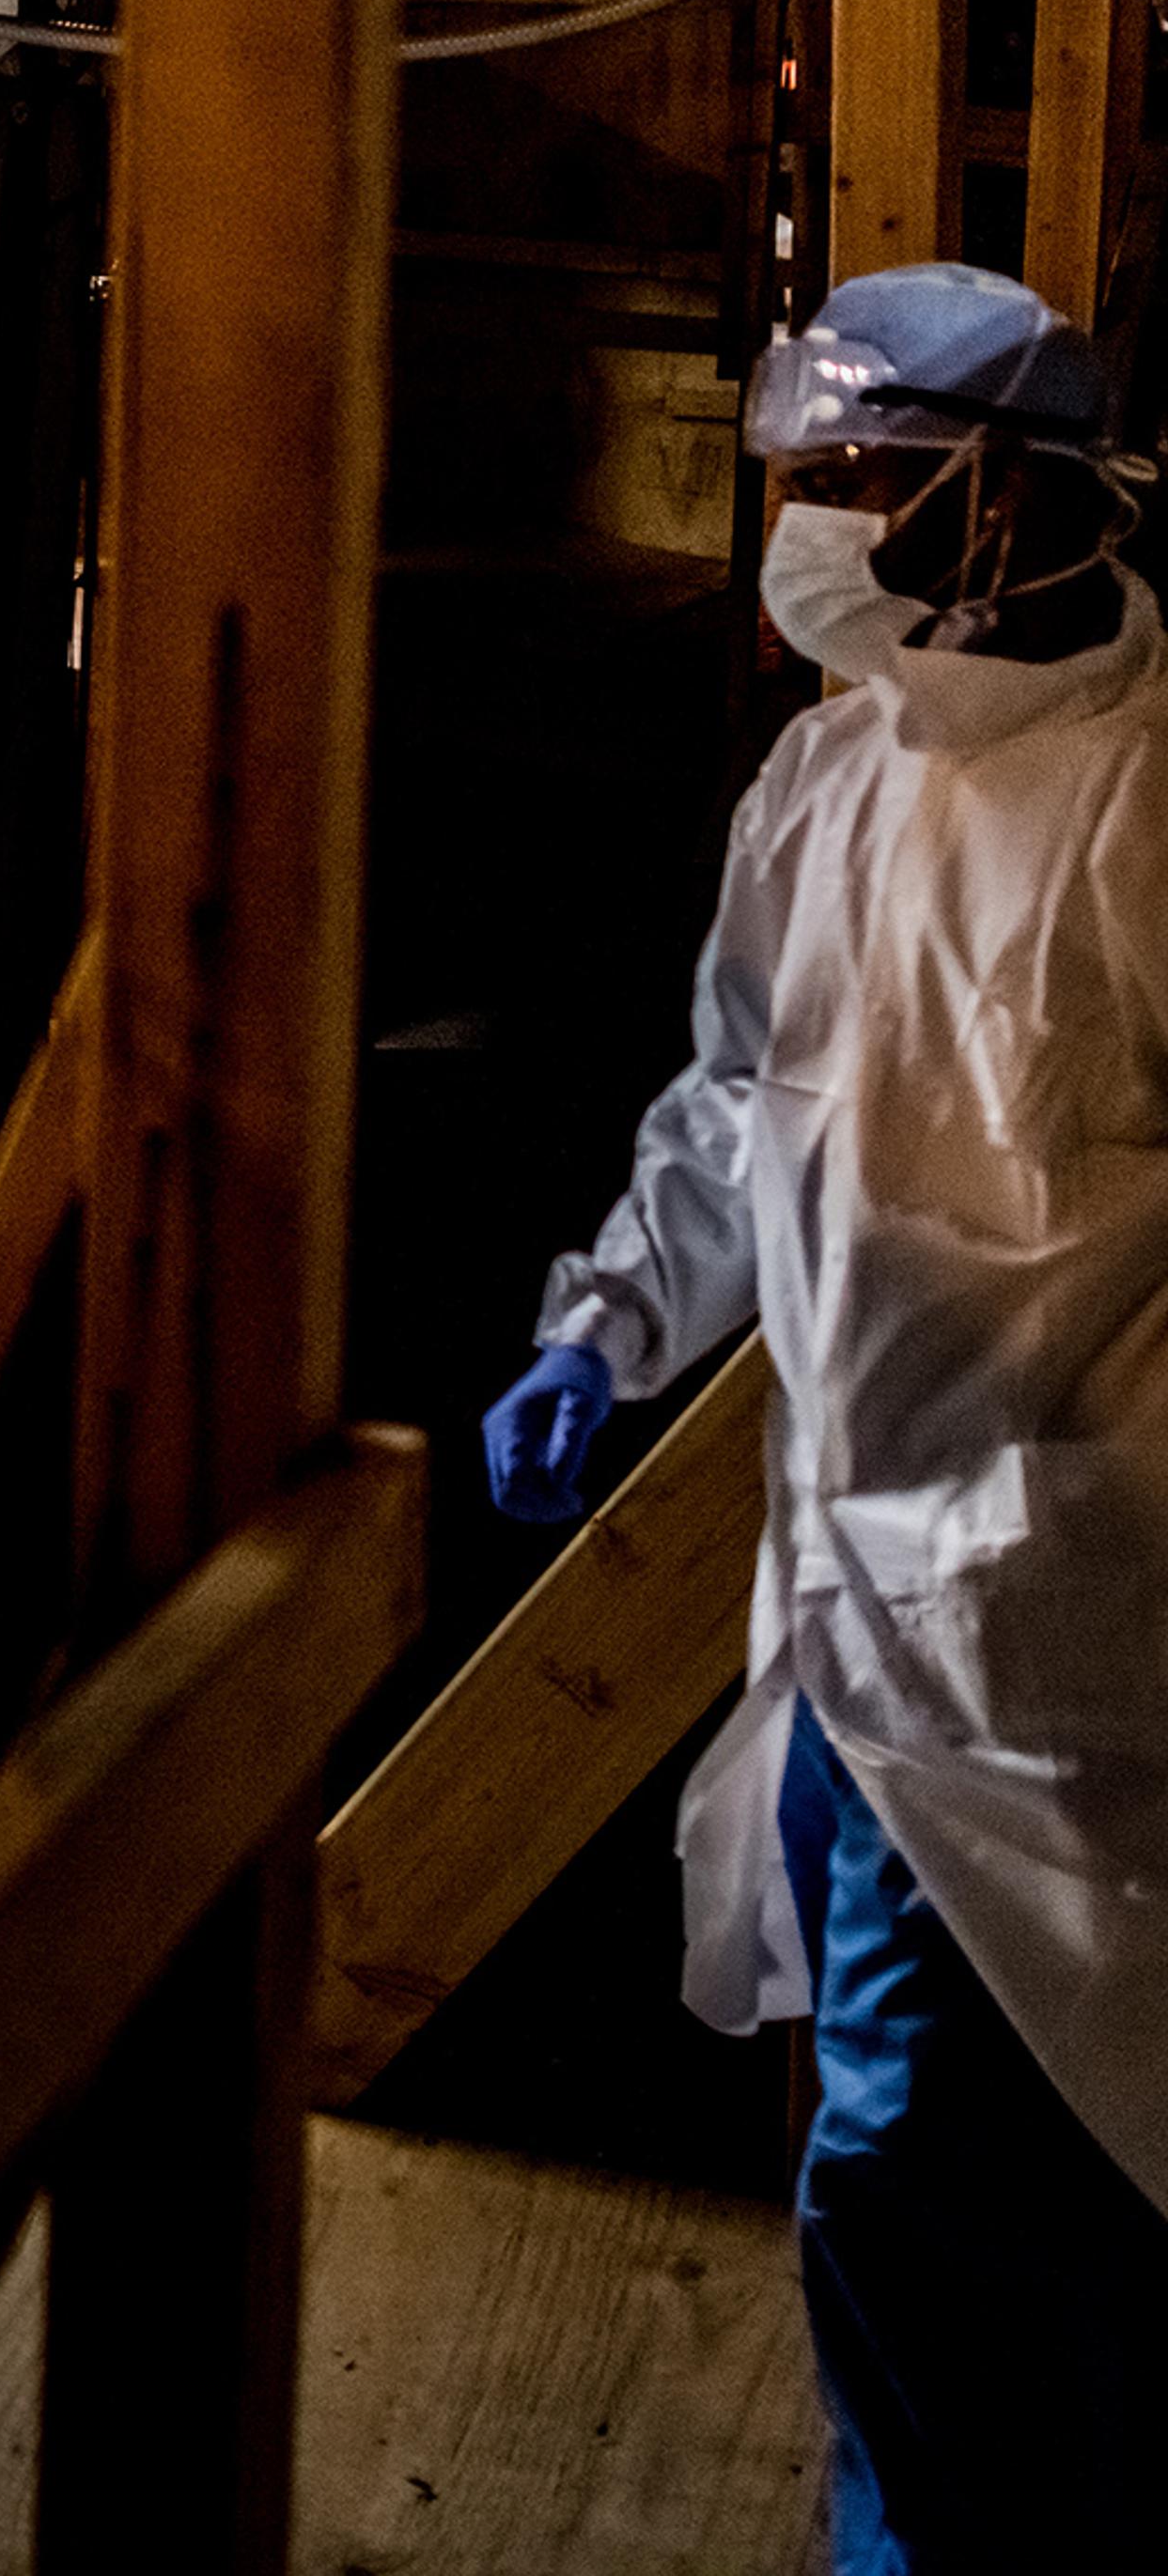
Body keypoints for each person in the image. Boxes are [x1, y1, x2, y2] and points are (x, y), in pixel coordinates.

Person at [484, 264, 1168, 2573]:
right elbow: (735, 1100)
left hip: (1062, 1656)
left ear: (1013, 498)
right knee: (910, 2187)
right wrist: (606, 1328)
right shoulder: (831, 772)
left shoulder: (1147, 806)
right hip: (851, 1612)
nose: (812, 522)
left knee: (966, 2192)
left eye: (863, 477)